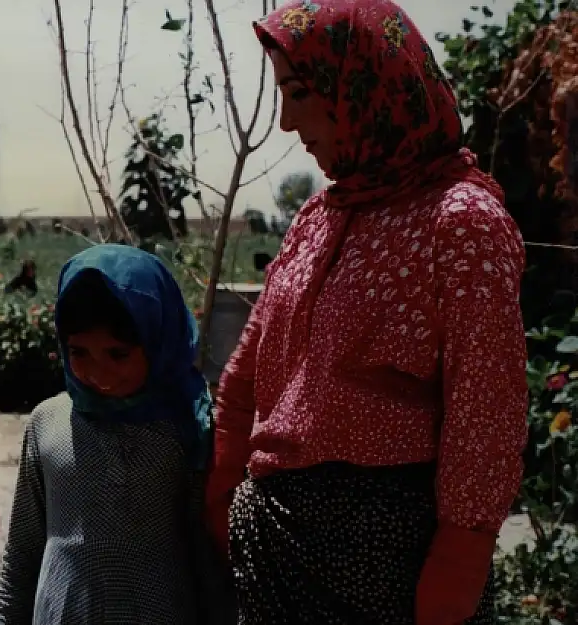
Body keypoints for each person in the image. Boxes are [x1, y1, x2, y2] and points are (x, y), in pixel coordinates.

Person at [205, 1, 528, 624]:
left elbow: (484, 415)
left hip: (388, 576)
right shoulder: (319, 218)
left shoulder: (460, 223)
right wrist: (223, 490)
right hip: (277, 562)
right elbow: (251, 365)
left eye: (299, 93)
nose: (285, 122)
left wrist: (458, 568)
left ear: (364, 86)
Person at [0, 244, 235, 624]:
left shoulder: (189, 429)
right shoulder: (47, 424)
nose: (98, 372)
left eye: (118, 354)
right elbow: (23, 550)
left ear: (158, 342)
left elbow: (207, 552)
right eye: (80, 352)